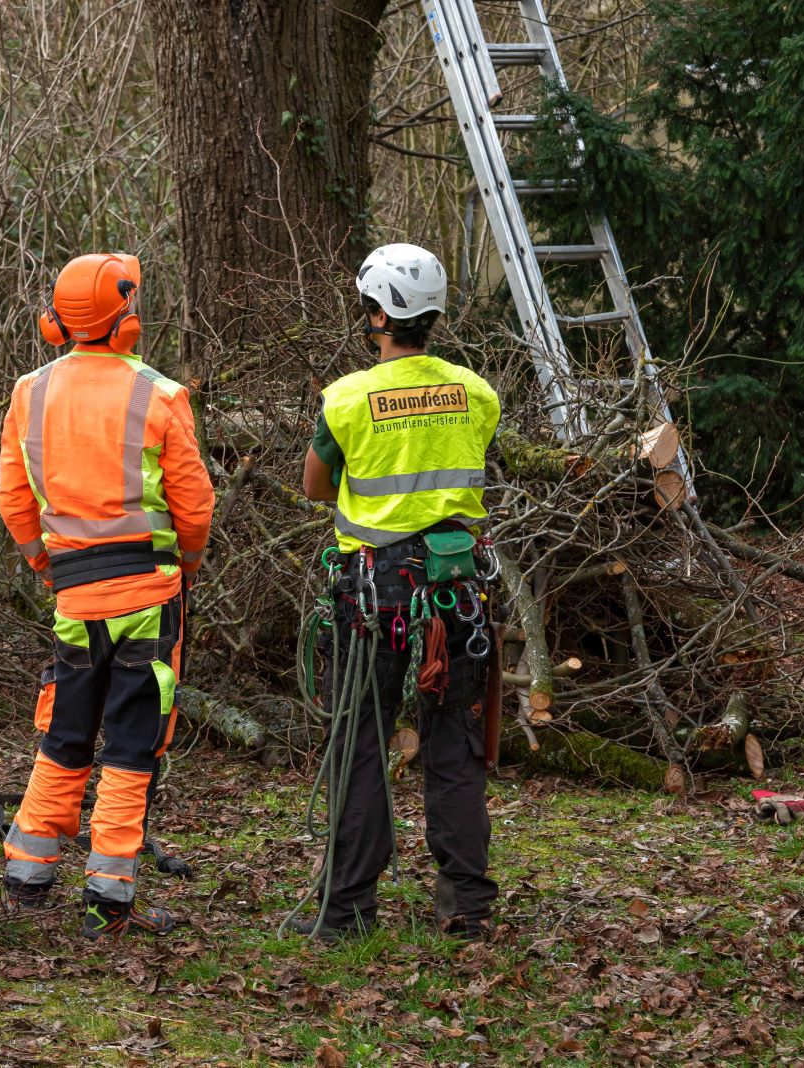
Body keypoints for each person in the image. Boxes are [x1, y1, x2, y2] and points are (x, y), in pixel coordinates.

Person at [0, 253, 214, 939]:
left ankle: (26, 877)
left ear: (56, 322)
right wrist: (189, 561)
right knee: (129, 747)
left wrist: (43, 560)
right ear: (127, 321)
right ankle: (109, 897)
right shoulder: (160, 395)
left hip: (73, 597)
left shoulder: (29, 392)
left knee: (65, 733)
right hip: (149, 598)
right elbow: (196, 505)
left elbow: (11, 497)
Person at [295, 242, 502, 942]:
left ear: (378, 314)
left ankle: (347, 908)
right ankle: (467, 903)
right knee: (455, 742)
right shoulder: (476, 392)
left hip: (373, 592)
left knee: (360, 743)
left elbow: (315, 486)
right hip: (455, 589)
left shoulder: (349, 399)